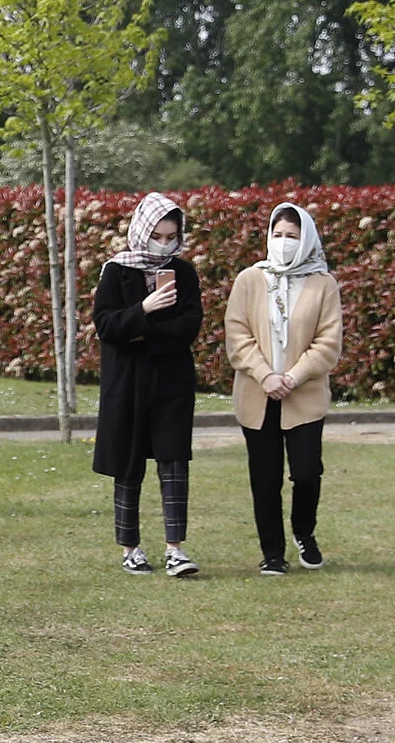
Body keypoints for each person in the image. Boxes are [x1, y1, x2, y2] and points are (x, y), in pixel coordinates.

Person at [225, 202, 343, 575]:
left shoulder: (324, 283)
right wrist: (266, 375)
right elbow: (237, 333)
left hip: (303, 396)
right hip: (257, 396)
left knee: (307, 472)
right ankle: (272, 552)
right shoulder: (249, 280)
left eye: (291, 236)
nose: (284, 242)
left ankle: (304, 532)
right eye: (278, 235)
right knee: (265, 478)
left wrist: (292, 376)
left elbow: (328, 342)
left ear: (305, 239)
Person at [93, 193, 204, 578]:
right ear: (142, 230)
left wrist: (142, 334)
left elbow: (188, 327)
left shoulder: (184, 273)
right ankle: (131, 548)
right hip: (127, 385)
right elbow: (106, 326)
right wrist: (144, 310)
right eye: (157, 235)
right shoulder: (115, 271)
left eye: (171, 236)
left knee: (173, 462)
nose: (165, 243)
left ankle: (176, 548)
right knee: (129, 463)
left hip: (171, 383)